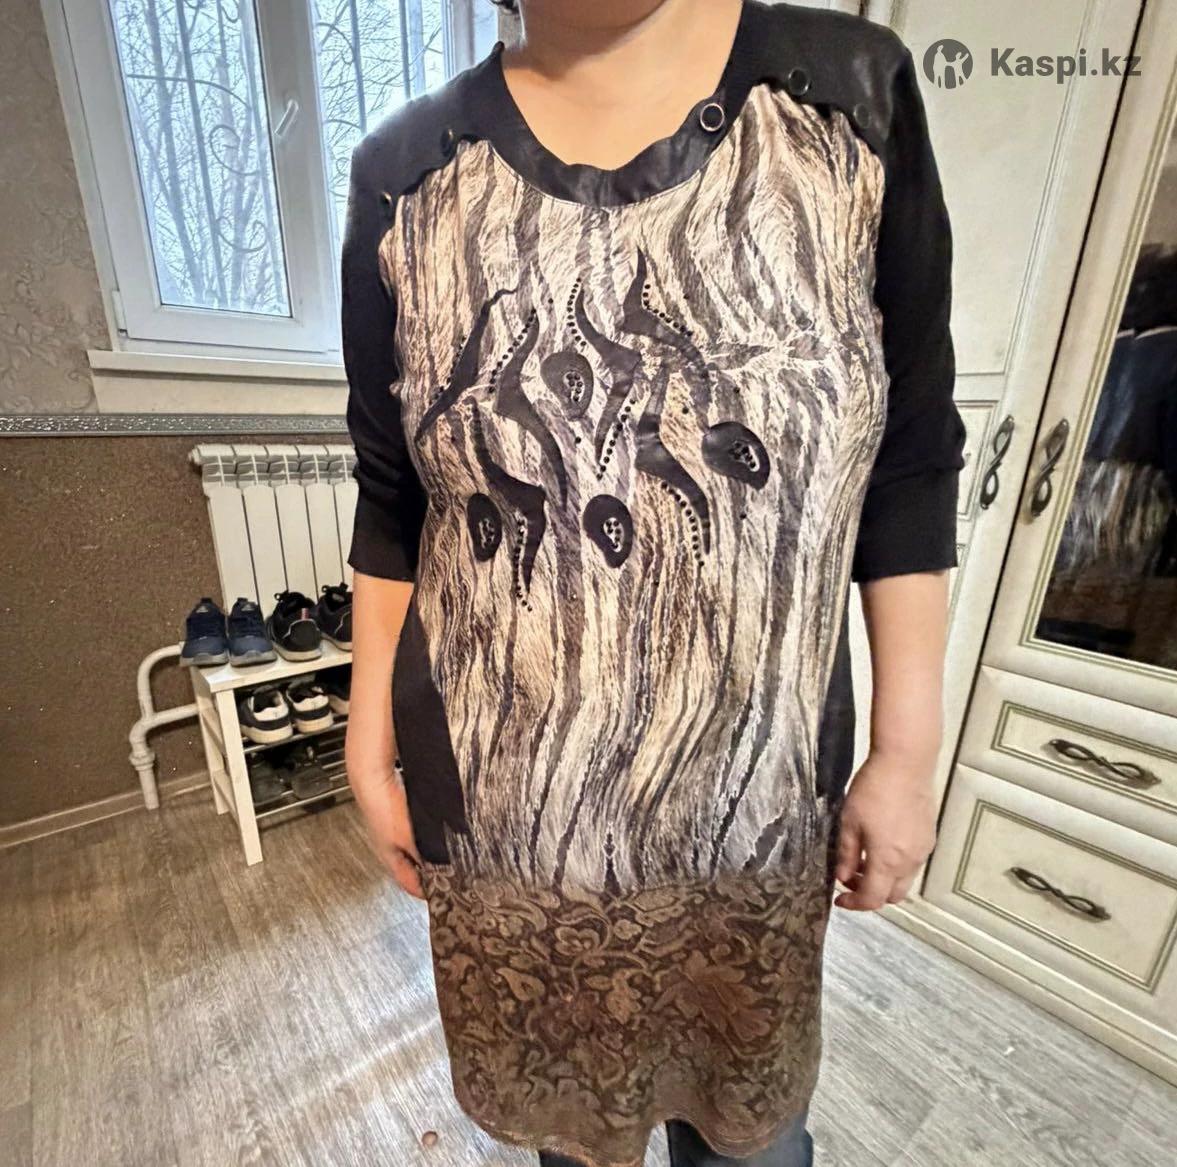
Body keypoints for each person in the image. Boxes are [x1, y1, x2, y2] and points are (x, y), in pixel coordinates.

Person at [342, 1, 966, 1164]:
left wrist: (905, 747)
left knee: (750, 1134)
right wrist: (367, 739)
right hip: (514, 819)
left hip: (753, 803)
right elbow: (393, 494)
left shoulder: (845, 100)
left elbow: (912, 456)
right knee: (576, 1133)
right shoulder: (404, 172)